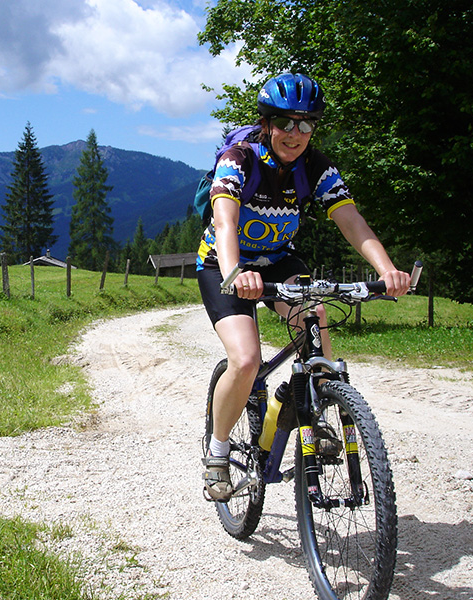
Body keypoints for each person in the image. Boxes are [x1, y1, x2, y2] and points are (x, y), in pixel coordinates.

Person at [196, 73, 411, 501]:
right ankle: (217, 454)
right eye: (285, 124)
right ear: (267, 124)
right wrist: (237, 270)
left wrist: (388, 270)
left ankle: (316, 409)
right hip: (225, 263)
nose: (295, 134)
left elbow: (352, 221)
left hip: (278, 260)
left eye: (306, 124)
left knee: (315, 315)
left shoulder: (316, 168)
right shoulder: (239, 159)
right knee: (245, 359)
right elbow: (225, 221)